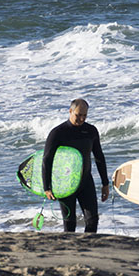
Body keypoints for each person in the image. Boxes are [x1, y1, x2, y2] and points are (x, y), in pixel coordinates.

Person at [42, 98, 109, 233]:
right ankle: (69, 252)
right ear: (70, 111)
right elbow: (46, 160)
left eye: (85, 115)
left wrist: (105, 183)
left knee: (92, 220)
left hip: (85, 181)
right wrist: (47, 187)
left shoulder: (91, 131)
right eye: (78, 115)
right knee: (69, 223)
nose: (82, 119)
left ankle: (88, 249)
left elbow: (99, 157)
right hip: (65, 183)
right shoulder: (58, 133)